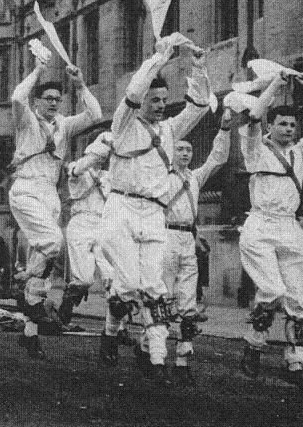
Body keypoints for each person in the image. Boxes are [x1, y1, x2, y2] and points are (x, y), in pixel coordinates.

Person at [97, 42, 210, 385]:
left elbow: (200, 106)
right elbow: (132, 92)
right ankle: (111, 331)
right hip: (121, 207)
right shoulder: (123, 123)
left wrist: (197, 65)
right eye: (154, 100)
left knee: (154, 288)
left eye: (163, 100)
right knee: (129, 284)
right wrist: (159, 57)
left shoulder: (171, 130)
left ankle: (158, 361)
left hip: (154, 214)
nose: (160, 106)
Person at [238, 71, 303, 392]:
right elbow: (253, 115)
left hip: (290, 227)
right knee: (272, 291)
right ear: (271, 126)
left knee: (297, 298)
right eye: (282, 123)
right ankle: (254, 344)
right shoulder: (255, 148)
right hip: (261, 224)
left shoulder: (301, 151)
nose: (289, 128)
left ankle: (296, 361)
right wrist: (276, 85)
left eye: (293, 125)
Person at [9, 43, 102, 359]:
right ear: (38, 101)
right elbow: (16, 98)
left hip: (49, 193)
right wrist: (37, 70)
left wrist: (80, 84)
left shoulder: (64, 124)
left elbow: (95, 113)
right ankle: (34, 304)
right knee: (53, 242)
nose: (52, 103)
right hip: (25, 188)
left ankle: (30, 332)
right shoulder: (26, 120)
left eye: (57, 100)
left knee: (42, 254)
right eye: (47, 99)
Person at [160, 108, 232, 384]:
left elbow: (217, 158)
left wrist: (224, 130)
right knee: (163, 297)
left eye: (189, 150)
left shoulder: (194, 178)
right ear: (171, 152)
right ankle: (151, 351)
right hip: (165, 237)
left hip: (187, 239)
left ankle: (181, 359)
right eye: (180, 149)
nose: (186, 154)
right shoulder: (161, 177)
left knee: (188, 301)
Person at [58, 131, 114, 326]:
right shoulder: (77, 168)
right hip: (81, 222)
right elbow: (79, 168)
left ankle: (116, 328)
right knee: (84, 279)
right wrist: (104, 144)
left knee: (113, 278)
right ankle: (66, 305)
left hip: (104, 225)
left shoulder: (110, 176)